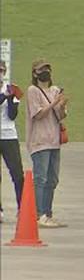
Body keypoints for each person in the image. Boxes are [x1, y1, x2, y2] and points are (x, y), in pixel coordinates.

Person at [25, 59, 68, 228]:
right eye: (41, 70)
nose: (45, 72)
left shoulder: (55, 90)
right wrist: (54, 103)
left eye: (47, 69)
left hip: (54, 140)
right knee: (40, 178)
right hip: (39, 141)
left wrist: (62, 106)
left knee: (52, 179)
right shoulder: (32, 91)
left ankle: (48, 213)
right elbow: (38, 115)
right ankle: (39, 214)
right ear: (35, 73)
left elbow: (61, 115)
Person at [0, 60, 25, 223]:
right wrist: (3, 96)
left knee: (17, 174)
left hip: (9, 135)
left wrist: (11, 98)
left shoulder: (11, 89)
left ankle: (22, 208)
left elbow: (12, 115)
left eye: (1, 70)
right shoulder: (5, 92)